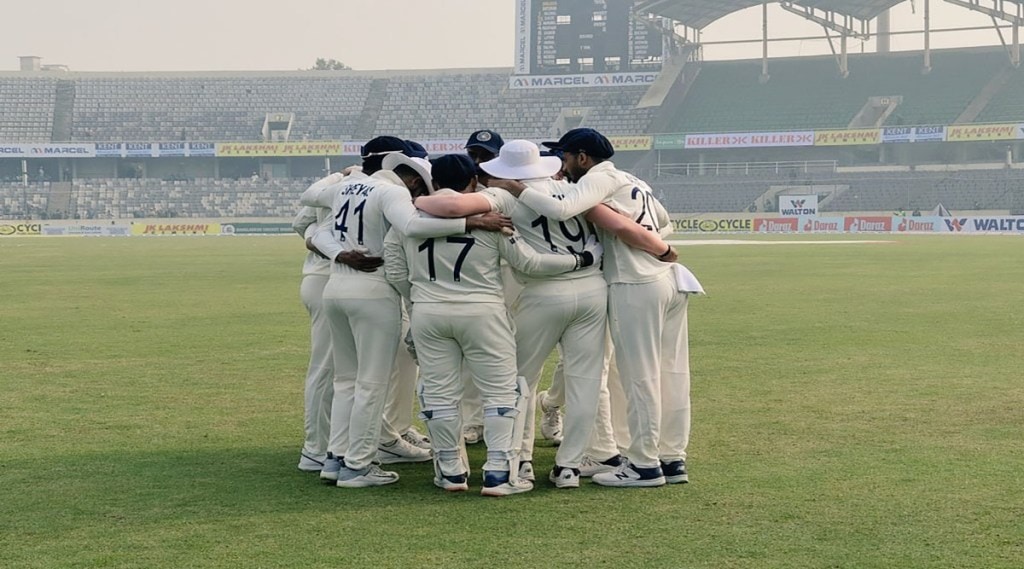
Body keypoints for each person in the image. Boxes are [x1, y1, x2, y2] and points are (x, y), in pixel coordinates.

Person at [415, 140, 677, 488]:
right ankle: (568, 467)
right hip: (592, 291)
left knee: (520, 380)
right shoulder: (571, 188)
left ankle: (519, 460)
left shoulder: (505, 195)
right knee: (586, 381)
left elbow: (450, 206)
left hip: (541, 292)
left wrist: (415, 200)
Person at [385, 152, 602, 496]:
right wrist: (581, 258)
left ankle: (451, 472)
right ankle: (499, 474)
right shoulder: (491, 217)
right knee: (502, 393)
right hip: (483, 312)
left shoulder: (409, 219)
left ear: (435, 184)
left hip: (429, 311)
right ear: (473, 183)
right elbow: (528, 263)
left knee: (439, 393)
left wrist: (418, 301)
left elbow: (395, 270)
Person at [301, 136, 512, 488]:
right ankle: (358, 465)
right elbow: (411, 226)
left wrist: (339, 255)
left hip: (336, 286)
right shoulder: (391, 192)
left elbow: (317, 230)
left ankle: (335, 459)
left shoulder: (348, 188)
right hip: (373, 289)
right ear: (409, 176)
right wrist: (470, 224)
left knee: (345, 380)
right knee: (371, 383)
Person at [496, 128, 691, 488]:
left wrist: (518, 188)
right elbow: (663, 221)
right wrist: (655, 244)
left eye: (567, 157)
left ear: (582, 157)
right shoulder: (632, 179)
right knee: (673, 373)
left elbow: (563, 207)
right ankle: (672, 457)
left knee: (639, 375)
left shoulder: (598, 178)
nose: (563, 165)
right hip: (668, 280)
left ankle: (645, 465)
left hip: (635, 283)